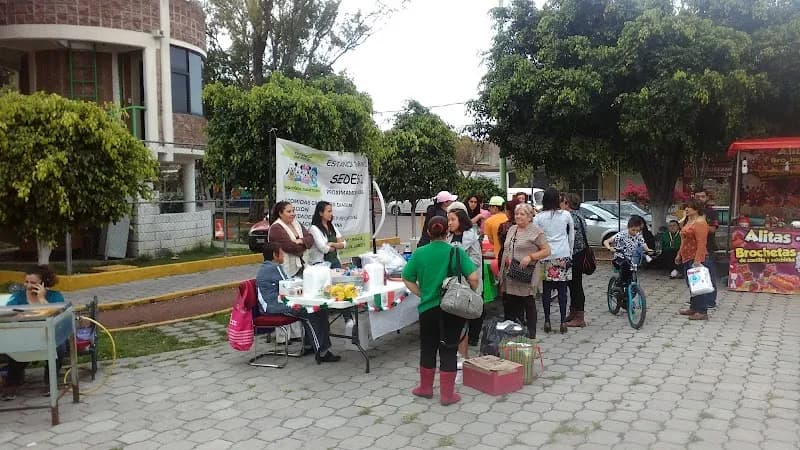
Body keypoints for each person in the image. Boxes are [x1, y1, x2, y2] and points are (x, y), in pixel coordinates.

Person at [403, 216, 478, 406]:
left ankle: (425, 388)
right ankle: (447, 395)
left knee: (427, 348)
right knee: (449, 349)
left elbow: (407, 278)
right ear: (447, 232)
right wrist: (468, 292)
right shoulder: (456, 252)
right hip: (452, 309)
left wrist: (422, 294)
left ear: (428, 232)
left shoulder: (419, 253)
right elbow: (474, 277)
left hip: (428, 309)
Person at [255, 242, 341, 363]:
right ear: (275, 255)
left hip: (278, 303)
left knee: (319, 310)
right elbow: (289, 285)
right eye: (282, 253)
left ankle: (310, 345)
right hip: (274, 307)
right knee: (309, 312)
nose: (284, 256)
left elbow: (289, 284)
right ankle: (322, 352)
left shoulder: (268, 267)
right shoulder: (273, 268)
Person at [3, 265, 66, 400]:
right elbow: (9, 313)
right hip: (24, 334)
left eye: (33, 283)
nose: (28, 285)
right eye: (26, 282)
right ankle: (12, 383)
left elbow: (57, 314)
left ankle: (50, 382)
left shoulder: (55, 296)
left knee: (59, 348)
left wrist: (42, 298)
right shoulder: (18, 296)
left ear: (43, 283)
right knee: (14, 348)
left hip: (49, 335)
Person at [498, 203, 550, 338]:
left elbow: (547, 251)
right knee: (512, 301)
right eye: (516, 214)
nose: (518, 216)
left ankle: (530, 334)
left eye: (522, 214)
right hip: (511, 273)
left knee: (528, 302)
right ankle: (515, 331)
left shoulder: (536, 231)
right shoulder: (512, 229)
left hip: (526, 273)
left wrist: (531, 257)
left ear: (529, 217)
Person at [533, 188, 575, 334]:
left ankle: (547, 320)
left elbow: (536, 238)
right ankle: (563, 321)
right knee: (563, 290)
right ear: (558, 200)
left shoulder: (538, 217)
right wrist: (570, 252)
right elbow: (571, 236)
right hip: (563, 254)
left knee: (546, 290)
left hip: (546, 255)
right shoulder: (566, 215)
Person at [446, 202, 483, 363]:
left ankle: (464, 355)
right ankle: (452, 354)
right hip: (450, 284)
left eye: (452, 219)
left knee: (462, 321)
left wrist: (461, 265)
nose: (449, 223)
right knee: (451, 319)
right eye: (448, 220)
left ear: (460, 220)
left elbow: (476, 260)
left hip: (466, 283)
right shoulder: (448, 236)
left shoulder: (471, 237)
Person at [675, 199, 715, 321]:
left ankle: (702, 311)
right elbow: (684, 239)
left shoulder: (700, 223)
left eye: (690, 207)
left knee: (698, 285)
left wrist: (698, 260)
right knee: (692, 284)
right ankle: (694, 307)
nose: (686, 209)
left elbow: (702, 243)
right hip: (687, 256)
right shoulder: (689, 222)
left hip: (697, 257)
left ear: (697, 209)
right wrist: (679, 254)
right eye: (686, 207)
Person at [604, 216, 655, 305]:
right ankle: (618, 286)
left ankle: (627, 298)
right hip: (620, 258)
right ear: (628, 227)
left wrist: (649, 251)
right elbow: (606, 241)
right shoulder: (621, 235)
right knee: (625, 270)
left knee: (632, 277)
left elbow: (644, 245)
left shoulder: (639, 235)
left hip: (631, 259)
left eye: (637, 230)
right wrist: (610, 247)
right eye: (633, 230)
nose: (635, 232)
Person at [268, 201, 314, 277]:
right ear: (280, 213)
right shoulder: (276, 228)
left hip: (302, 265)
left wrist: (301, 241)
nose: (293, 214)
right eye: (289, 211)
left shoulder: (297, 223)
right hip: (287, 269)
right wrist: (305, 245)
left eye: (293, 211)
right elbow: (291, 247)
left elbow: (311, 239)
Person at [562, 193, 588, 328]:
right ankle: (573, 312)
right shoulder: (580, 215)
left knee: (576, 285)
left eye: (564, 202)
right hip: (580, 253)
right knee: (574, 285)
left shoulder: (571, 217)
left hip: (575, 254)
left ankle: (579, 317)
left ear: (568, 204)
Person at [308, 201, 347, 268]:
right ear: (321, 213)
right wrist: (337, 245)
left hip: (335, 261)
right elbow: (324, 248)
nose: (331, 214)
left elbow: (344, 244)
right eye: (329, 211)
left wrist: (332, 244)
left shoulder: (332, 226)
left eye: (331, 211)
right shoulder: (314, 228)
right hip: (321, 265)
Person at [496, 198, 521, 263]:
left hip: (506, 258)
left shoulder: (504, 226)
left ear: (510, 211)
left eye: (505, 210)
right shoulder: (527, 225)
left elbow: (501, 243)